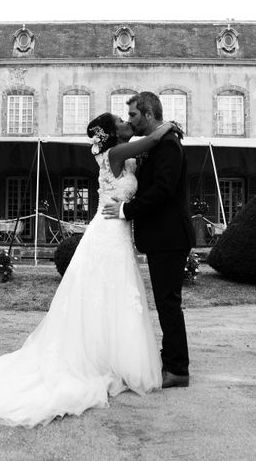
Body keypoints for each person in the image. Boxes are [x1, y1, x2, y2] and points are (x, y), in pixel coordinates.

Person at [0, 113, 178, 428]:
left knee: (112, 295)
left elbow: (145, 153)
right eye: (122, 121)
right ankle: (100, 359)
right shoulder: (114, 153)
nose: (127, 122)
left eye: (129, 118)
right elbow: (152, 139)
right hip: (108, 232)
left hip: (117, 231)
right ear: (111, 133)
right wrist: (169, 126)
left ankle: (110, 355)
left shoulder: (119, 152)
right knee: (105, 292)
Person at [103, 92, 196, 389]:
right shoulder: (157, 143)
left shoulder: (168, 144)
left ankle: (178, 369)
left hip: (169, 237)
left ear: (148, 114)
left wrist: (125, 209)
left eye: (132, 115)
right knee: (165, 301)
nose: (129, 120)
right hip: (162, 237)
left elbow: (162, 191)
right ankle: (171, 358)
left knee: (168, 303)